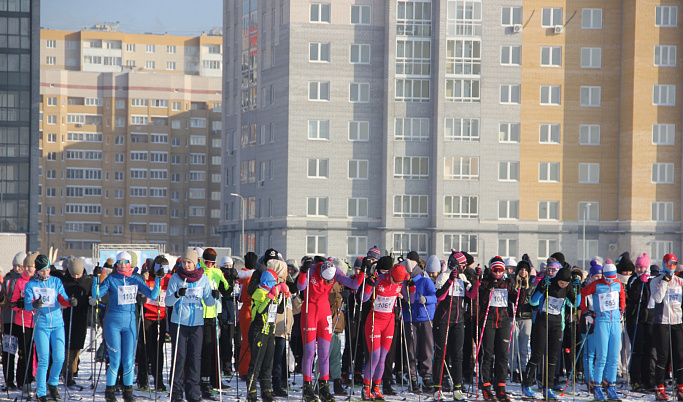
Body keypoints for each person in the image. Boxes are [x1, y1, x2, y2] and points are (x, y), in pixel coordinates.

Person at [92, 251, 162, 402]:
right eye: (120, 262)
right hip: (113, 322)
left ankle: (128, 392)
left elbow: (153, 295)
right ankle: (110, 392)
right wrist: (95, 278)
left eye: (126, 262)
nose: (123, 265)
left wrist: (158, 279)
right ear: (116, 264)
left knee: (129, 360)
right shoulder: (112, 279)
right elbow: (96, 294)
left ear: (131, 264)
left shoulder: (135, 280)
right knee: (115, 359)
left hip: (130, 322)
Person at [298, 257, 365, 402]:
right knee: (310, 351)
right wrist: (303, 271)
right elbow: (301, 287)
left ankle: (324, 386)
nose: (327, 283)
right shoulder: (313, 270)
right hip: (309, 311)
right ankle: (307, 387)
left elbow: (354, 284)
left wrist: (363, 272)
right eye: (325, 280)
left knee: (324, 352)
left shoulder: (335, 271)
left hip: (324, 312)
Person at [165, 249, 219, 402]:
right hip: (179, 323)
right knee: (180, 357)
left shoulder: (203, 279)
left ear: (196, 263)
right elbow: (168, 302)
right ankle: (176, 392)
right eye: (184, 262)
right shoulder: (176, 278)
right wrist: (177, 295)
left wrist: (215, 297)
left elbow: (208, 301)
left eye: (189, 262)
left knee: (195, 358)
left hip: (197, 324)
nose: (186, 265)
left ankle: (193, 392)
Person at [522, 263, 579, 400]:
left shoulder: (568, 286)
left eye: (565, 283)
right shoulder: (548, 282)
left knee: (553, 357)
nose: (562, 285)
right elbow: (533, 302)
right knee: (537, 354)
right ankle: (526, 384)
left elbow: (575, 304)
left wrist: (578, 289)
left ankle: (548, 387)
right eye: (561, 282)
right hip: (543, 321)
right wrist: (541, 288)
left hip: (557, 322)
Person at [24, 254, 76, 402]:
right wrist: (35, 304)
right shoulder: (31, 285)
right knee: (44, 360)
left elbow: (62, 298)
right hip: (42, 325)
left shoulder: (55, 281)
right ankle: (41, 393)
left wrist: (70, 302)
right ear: (37, 271)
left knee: (59, 358)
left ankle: (52, 383)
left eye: (47, 270)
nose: (46, 273)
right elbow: (28, 305)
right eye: (42, 271)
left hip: (58, 324)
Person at [361, 264, 410, 401]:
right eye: (396, 280)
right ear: (391, 275)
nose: (397, 283)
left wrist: (411, 287)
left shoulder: (402, 281)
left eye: (400, 281)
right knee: (375, 356)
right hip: (374, 321)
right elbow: (363, 298)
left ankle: (376, 388)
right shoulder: (379, 279)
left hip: (389, 322)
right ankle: (366, 388)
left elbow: (410, 298)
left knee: (383, 357)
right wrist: (369, 285)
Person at [431, 252, 476, 400]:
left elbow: (471, 295)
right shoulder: (444, 276)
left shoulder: (463, 278)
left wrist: (477, 282)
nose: (464, 266)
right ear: (454, 264)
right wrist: (450, 280)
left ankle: (457, 388)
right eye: (462, 264)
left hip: (458, 320)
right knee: (440, 354)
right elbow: (440, 296)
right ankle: (437, 388)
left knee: (458, 355)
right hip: (443, 320)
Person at [580, 263, 625, 401]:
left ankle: (611, 385)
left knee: (613, 357)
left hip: (616, 322)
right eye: (608, 278)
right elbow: (582, 294)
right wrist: (585, 311)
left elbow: (622, 295)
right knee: (601, 356)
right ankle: (597, 386)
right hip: (602, 322)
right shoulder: (597, 285)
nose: (610, 281)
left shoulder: (618, 284)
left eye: (612, 278)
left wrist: (622, 309)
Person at [246, 265, 289, 402]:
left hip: (270, 331)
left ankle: (267, 392)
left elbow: (280, 310)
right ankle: (251, 393)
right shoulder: (259, 292)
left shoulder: (273, 293)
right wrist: (271, 296)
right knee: (256, 364)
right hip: (259, 330)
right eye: (274, 281)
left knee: (268, 364)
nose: (275, 284)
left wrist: (284, 296)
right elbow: (260, 312)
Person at [476, 257, 514, 402]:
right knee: (488, 354)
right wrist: (488, 288)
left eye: (500, 270)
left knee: (503, 355)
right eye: (495, 270)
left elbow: (518, 299)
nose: (498, 273)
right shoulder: (486, 282)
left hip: (503, 320)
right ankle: (486, 386)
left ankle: (501, 387)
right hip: (489, 320)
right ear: (491, 270)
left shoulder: (506, 283)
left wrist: (520, 288)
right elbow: (481, 298)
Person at [650, 253, 683, 401]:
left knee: (679, 355)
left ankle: (681, 386)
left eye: (674, 264)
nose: (671, 266)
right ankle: (659, 387)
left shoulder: (679, 281)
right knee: (663, 356)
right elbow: (657, 298)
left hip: (677, 321)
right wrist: (664, 281)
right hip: (662, 322)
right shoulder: (655, 281)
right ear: (663, 263)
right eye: (669, 263)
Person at [401, 255, 436, 393]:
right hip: (409, 318)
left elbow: (435, 297)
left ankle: (427, 377)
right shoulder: (403, 283)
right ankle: (412, 377)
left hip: (424, 318)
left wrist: (425, 298)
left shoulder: (425, 281)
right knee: (411, 349)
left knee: (427, 349)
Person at [199, 248, 231, 399]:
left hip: (213, 314)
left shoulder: (217, 273)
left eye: (212, 263)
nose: (210, 265)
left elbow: (227, 290)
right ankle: (202, 380)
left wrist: (230, 280)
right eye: (207, 262)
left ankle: (214, 379)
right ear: (202, 261)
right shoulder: (199, 271)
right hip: (199, 315)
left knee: (212, 349)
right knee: (203, 350)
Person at [60, 256, 93, 387]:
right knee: (67, 345)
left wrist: (92, 300)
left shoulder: (87, 280)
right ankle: (67, 373)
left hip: (81, 316)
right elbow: (60, 295)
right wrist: (64, 303)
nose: (76, 277)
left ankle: (73, 370)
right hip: (66, 316)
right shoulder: (64, 281)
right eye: (73, 274)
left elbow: (92, 293)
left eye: (78, 274)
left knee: (77, 345)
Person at [140, 255, 172, 391]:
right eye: (159, 269)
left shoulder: (169, 279)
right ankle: (142, 379)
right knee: (146, 349)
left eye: (164, 269)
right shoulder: (149, 279)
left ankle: (158, 380)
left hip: (161, 318)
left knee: (159, 350)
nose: (162, 273)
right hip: (147, 317)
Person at [11, 251, 38, 398]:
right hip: (23, 322)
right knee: (24, 352)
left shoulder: (40, 281)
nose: (28, 269)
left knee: (38, 352)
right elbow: (13, 303)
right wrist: (18, 304)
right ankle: (22, 379)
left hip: (38, 321)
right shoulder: (20, 282)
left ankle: (36, 379)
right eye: (26, 266)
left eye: (31, 266)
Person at [626, 253, 654, 392]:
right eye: (637, 267)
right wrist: (639, 282)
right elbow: (633, 296)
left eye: (641, 267)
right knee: (637, 350)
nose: (639, 270)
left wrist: (647, 282)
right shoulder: (633, 280)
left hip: (648, 319)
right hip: (635, 319)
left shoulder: (651, 280)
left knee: (648, 351)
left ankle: (647, 379)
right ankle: (635, 379)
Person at [2, 251, 25, 391]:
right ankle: (9, 380)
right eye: (15, 266)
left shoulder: (27, 280)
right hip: (8, 319)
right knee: (8, 351)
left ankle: (22, 379)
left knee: (22, 351)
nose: (17, 269)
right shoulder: (8, 279)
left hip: (21, 320)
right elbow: (4, 299)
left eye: (20, 266)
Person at [509, 258, 534, 384]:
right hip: (513, 316)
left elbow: (532, 301)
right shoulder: (512, 283)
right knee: (513, 346)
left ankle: (524, 369)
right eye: (521, 269)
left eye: (525, 270)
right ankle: (513, 370)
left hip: (526, 317)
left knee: (524, 347)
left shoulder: (531, 285)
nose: (523, 272)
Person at [581, 260, 602, 393]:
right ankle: (590, 379)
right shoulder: (586, 288)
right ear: (590, 276)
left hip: (600, 322)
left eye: (600, 277)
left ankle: (599, 379)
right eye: (596, 277)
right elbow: (582, 304)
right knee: (589, 353)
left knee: (600, 353)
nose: (598, 279)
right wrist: (587, 313)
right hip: (587, 323)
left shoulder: (603, 288)